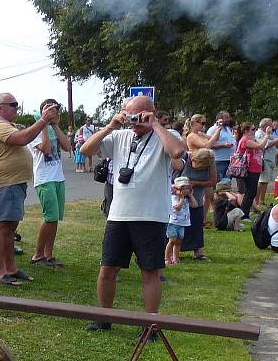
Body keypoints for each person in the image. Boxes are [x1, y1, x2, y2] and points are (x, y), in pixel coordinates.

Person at [79, 95, 185, 331]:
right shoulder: (119, 136)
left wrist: (155, 124)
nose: (134, 122)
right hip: (119, 215)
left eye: (139, 116)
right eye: (130, 116)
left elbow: (178, 152)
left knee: (150, 271)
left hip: (151, 216)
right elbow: (86, 149)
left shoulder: (165, 136)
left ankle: (151, 325)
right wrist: (110, 126)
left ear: (151, 112)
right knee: (107, 268)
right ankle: (105, 318)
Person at [0, 92, 60, 286]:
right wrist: (43, 120)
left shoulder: (5, 124)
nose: (16, 108)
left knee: (10, 228)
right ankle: (0, 272)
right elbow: (22, 138)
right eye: (13, 104)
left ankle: (11, 268)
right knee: (1, 228)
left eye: (17, 104)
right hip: (5, 183)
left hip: (13, 183)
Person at [28, 98, 71, 267]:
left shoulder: (54, 129)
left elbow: (67, 147)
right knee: (50, 217)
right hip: (44, 179)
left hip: (58, 177)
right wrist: (44, 123)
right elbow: (45, 149)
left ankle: (49, 255)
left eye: (56, 111)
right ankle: (38, 255)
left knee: (55, 219)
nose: (55, 113)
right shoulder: (35, 131)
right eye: (51, 110)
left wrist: (55, 125)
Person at [170, 147, 216, 259]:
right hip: (179, 200)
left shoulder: (210, 161)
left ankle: (198, 251)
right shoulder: (185, 159)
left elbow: (213, 181)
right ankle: (173, 252)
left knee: (196, 225)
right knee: (177, 226)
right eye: (200, 165)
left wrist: (195, 183)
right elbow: (172, 177)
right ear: (195, 160)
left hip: (197, 199)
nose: (202, 168)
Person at [235, 122, 269, 219]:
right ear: (246, 131)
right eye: (253, 129)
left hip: (255, 167)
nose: (254, 131)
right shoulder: (245, 140)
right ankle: (244, 214)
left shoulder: (251, 139)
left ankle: (245, 213)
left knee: (252, 191)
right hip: (249, 168)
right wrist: (266, 135)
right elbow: (261, 146)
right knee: (250, 192)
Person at [255, 118, 278, 209]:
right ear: (265, 125)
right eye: (270, 125)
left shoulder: (270, 134)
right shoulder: (259, 134)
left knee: (265, 182)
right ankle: (257, 200)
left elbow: (277, 144)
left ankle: (262, 200)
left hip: (271, 159)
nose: (272, 126)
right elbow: (266, 145)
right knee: (262, 181)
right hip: (264, 159)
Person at [165, 176, 198, 265]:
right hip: (173, 223)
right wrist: (181, 199)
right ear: (176, 190)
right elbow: (177, 208)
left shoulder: (187, 199)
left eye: (188, 188)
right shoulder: (173, 198)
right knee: (172, 240)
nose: (186, 191)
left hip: (182, 223)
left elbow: (195, 205)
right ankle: (167, 258)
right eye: (183, 189)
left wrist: (191, 196)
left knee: (179, 241)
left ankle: (175, 257)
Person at [206, 111, 235, 180]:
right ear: (220, 119)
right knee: (218, 182)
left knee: (226, 183)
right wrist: (224, 145)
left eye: (229, 117)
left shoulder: (228, 129)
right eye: (227, 118)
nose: (229, 119)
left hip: (229, 160)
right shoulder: (213, 129)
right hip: (219, 160)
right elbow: (208, 145)